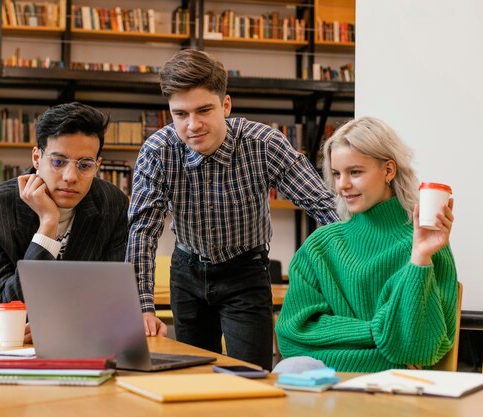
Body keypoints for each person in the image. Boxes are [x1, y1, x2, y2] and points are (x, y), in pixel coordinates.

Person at [127, 49, 339, 370]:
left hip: (245, 271)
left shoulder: (263, 144)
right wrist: (142, 306)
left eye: (204, 110)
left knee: (248, 375)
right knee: (192, 376)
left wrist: (351, 273)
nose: (193, 125)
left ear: (225, 105)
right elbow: (143, 231)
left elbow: (323, 205)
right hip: (187, 272)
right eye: (180, 114)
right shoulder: (157, 152)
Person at [275, 116, 458, 372]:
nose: (343, 185)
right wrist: (380, 333)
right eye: (337, 174)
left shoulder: (426, 245)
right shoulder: (319, 247)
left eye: (355, 172)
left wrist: (419, 258)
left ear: (389, 170)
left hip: (395, 394)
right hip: (328, 386)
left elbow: (420, 350)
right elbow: (292, 338)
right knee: (288, 369)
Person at [0, 102, 131, 344]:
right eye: (58, 162)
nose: (70, 177)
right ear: (37, 158)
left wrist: (59, 325)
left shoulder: (113, 205)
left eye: (85, 165)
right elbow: (6, 312)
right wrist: (48, 224)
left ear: (97, 166)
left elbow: (110, 298)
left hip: (71, 337)